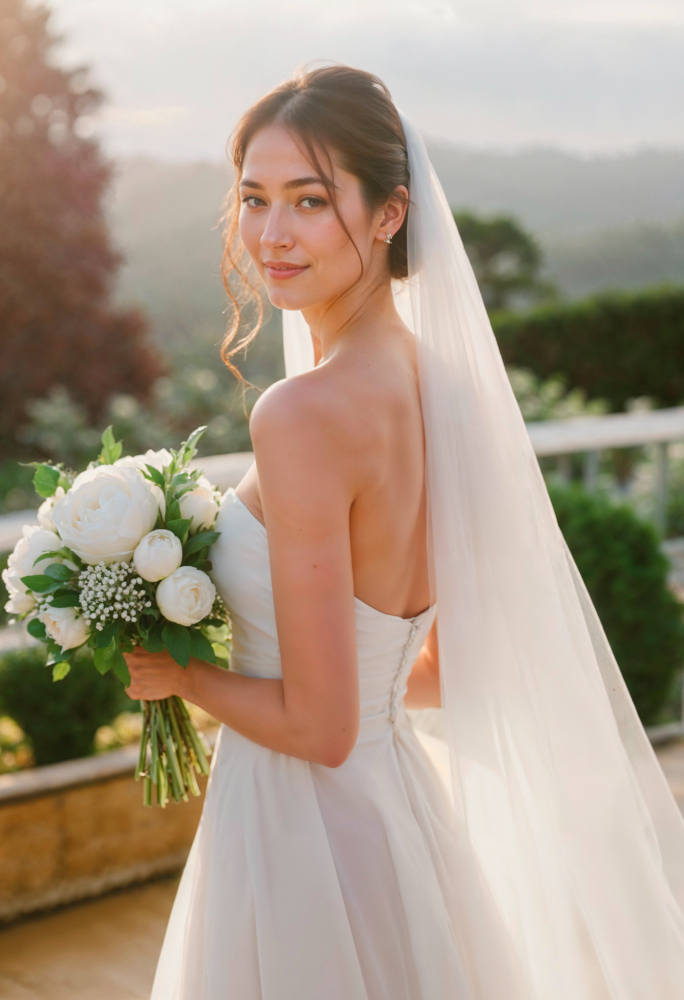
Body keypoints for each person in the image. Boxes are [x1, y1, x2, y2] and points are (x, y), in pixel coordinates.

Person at [127, 64, 684, 1000]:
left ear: (390, 214)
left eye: (310, 200)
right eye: (254, 199)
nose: (272, 234)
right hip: (400, 823)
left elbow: (321, 728)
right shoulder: (444, 389)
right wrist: (373, 679)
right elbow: (435, 670)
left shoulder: (301, 414)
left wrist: (180, 674)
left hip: (303, 840)